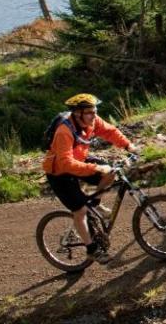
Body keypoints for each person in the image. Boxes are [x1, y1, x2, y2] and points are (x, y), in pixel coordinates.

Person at [42, 93, 137, 264]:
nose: (94, 116)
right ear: (77, 114)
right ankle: (92, 249)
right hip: (59, 173)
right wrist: (96, 167)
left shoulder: (91, 121)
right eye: (89, 112)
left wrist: (128, 145)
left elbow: (110, 131)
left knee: (111, 172)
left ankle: (96, 204)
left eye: (95, 111)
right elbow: (66, 164)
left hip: (78, 161)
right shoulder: (64, 131)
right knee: (80, 211)